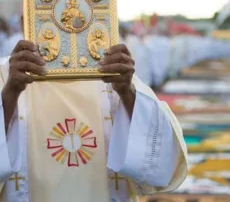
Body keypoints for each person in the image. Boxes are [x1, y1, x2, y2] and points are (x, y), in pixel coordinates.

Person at [0, 39, 187, 201]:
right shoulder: (6, 73)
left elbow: (162, 162)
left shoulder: (113, 71)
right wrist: (10, 92)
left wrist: (127, 92)